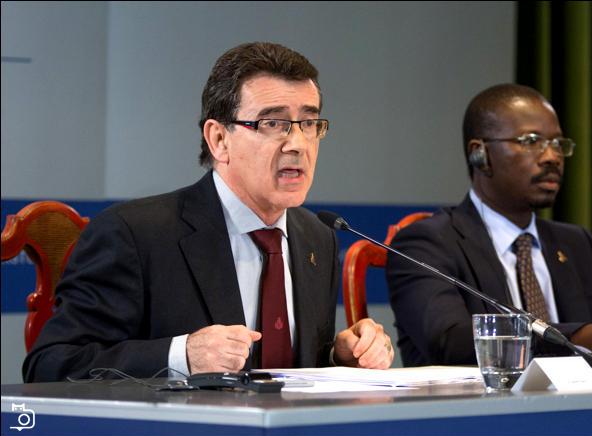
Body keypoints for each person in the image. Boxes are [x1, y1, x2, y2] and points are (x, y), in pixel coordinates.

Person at [23, 42, 394, 383]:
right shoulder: (134, 235)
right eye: (273, 124)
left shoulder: (317, 236)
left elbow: (291, 378)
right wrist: (182, 355)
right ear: (218, 139)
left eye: (309, 124)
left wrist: (340, 357)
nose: (297, 144)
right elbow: (51, 365)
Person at [385, 83, 592, 366]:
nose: (552, 157)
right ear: (480, 155)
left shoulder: (574, 244)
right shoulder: (426, 242)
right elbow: (450, 340)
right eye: (531, 141)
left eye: (559, 144)